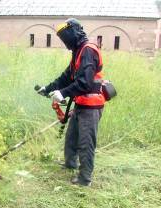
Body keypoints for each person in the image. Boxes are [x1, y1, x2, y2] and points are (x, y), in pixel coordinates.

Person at [37, 18, 105, 186]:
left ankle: (84, 179)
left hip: (91, 106)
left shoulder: (88, 50)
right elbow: (67, 76)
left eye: (65, 36)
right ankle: (70, 164)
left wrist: (64, 93)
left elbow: (85, 82)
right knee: (71, 137)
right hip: (81, 103)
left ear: (74, 32)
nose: (64, 41)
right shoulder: (78, 51)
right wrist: (48, 88)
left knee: (85, 143)